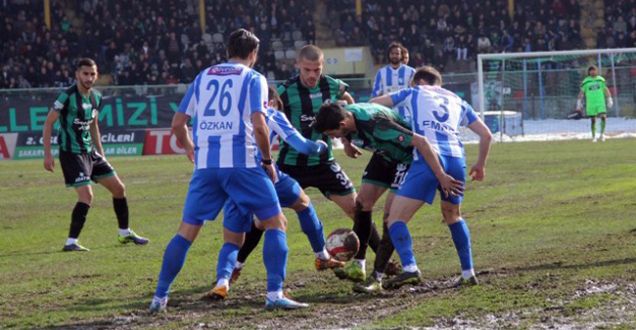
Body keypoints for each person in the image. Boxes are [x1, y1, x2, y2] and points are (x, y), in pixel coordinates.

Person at [149, 29, 307, 313]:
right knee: (276, 223)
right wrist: (268, 161)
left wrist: (189, 148)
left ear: (227, 50)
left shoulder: (203, 76)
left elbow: (177, 124)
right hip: (242, 164)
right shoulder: (253, 78)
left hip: (206, 165)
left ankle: (159, 297)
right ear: (253, 54)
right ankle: (274, 294)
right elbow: (259, 125)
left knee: (186, 232)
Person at [205, 87, 344, 300]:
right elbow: (303, 147)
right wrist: (321, 147)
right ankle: (313, 263)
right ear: (270, 101)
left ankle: (223, 282)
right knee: (295, 209)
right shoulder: (270, 113)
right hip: (263, 176)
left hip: (231, 178)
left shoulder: (229, 117)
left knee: (232, 240)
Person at [313, 102, 463, 290]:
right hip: (384, 154)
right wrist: (347, 143)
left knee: (389, 217)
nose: (331, 138)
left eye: (331, 134)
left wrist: (441, 175)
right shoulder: (343, 115)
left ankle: (377, 277)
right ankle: (358, 266)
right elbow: (343, 107)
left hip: (406, 158)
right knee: (361, 203)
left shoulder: (378, 125)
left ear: (342, 125)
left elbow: (422, 142)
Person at [370, 66, 493, 289]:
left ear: (418, 82)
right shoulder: (457, 100)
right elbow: (486, 134)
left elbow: (375, 103)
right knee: (453, 216)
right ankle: (468, 272)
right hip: (456, 159)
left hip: (428, 158)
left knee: (394, 219)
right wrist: (481, 165)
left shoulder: (414, 92)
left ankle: (410, 268)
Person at [274, 45, 389, 274]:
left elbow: (348, 103)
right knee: (264, 213)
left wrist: (347, 140)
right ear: (298, 65)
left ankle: (383, 262)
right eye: (307, 69)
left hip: (325, 163)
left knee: (358, 210)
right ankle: (234, 267)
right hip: (290, 164)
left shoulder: (332, 85)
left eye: (316, 69)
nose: (312, 75)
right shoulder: (284, 91)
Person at [42, 58, 148, 252]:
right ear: (77, 74)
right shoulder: (66, 96)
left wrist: (102, 153)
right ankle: (71, 242)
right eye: (85, 74)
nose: (89, 78)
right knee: (86, 195)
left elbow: (94, 125)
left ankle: (124, 233)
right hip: (72, 153)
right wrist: (47, 155)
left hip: (91, 152)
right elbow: (48, 123)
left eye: (92, 74)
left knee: (119, 188)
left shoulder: (96, 97)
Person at [576, 65, 613, 142]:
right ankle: (594, 136)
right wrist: (579, 103)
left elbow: (606, 90)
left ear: (597, 71)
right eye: (591, 70)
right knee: (593, 120)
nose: (593, 72)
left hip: (600, 102)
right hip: (591, 103)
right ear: (589, 72)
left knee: (603, 117)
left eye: (594, 70)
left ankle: (602, 134)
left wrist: (609, 99)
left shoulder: (600, 80)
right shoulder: (586, 81)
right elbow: (581, 93)